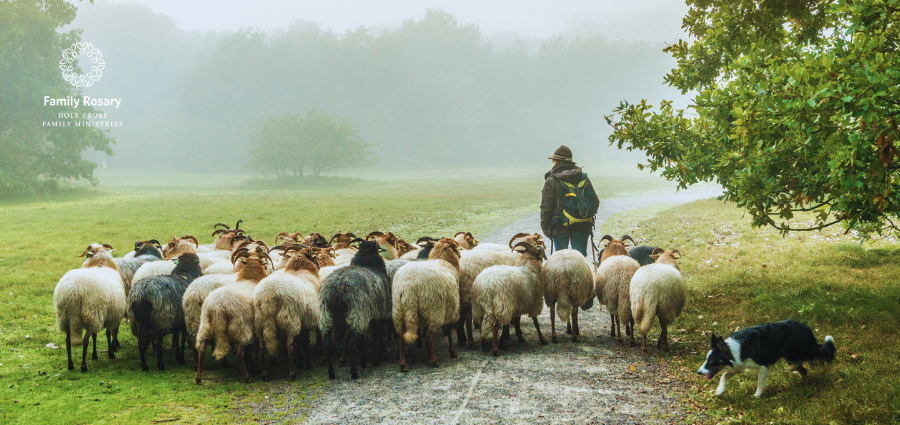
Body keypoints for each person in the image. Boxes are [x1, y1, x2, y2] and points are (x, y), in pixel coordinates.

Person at [540, 145, 599, 257]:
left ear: (556, 161)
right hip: (582, 226)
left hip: (559, 227)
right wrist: (585, 216)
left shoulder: (551, 180)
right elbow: (595, 201)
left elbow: (546, 207)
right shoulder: (583, 177)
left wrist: (546, 229)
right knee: (580, 259)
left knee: (561, 260)